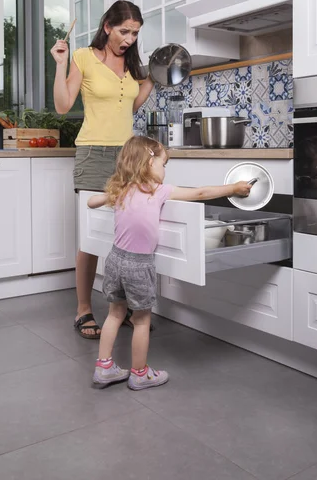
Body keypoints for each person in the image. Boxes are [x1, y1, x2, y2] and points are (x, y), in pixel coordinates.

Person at [88, 135, 253, 390]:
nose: (165, 170)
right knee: (141, 320)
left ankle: (104, 367)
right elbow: (201, 192)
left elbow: (90, 201)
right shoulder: (158, 190)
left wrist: (108, 195)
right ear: (148, 162)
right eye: (164, 164)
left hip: (115, 260)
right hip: (139, 265)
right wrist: (234, 188)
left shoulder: (122, 188)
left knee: (115, 313)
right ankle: (140, 373)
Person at [51, 1, 154, 339]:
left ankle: (119, 308)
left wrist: (152, 81)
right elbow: (64, 106)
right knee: (91, 234)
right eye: (125, 31)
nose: (129, 38)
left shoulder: (132, 63)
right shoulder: (82, 56)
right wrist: (61, 63)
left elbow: (131, 106)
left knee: (124, 234)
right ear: (107, 26)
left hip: (128, 156)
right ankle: (83, 309)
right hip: (94, 152)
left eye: (135, 33)